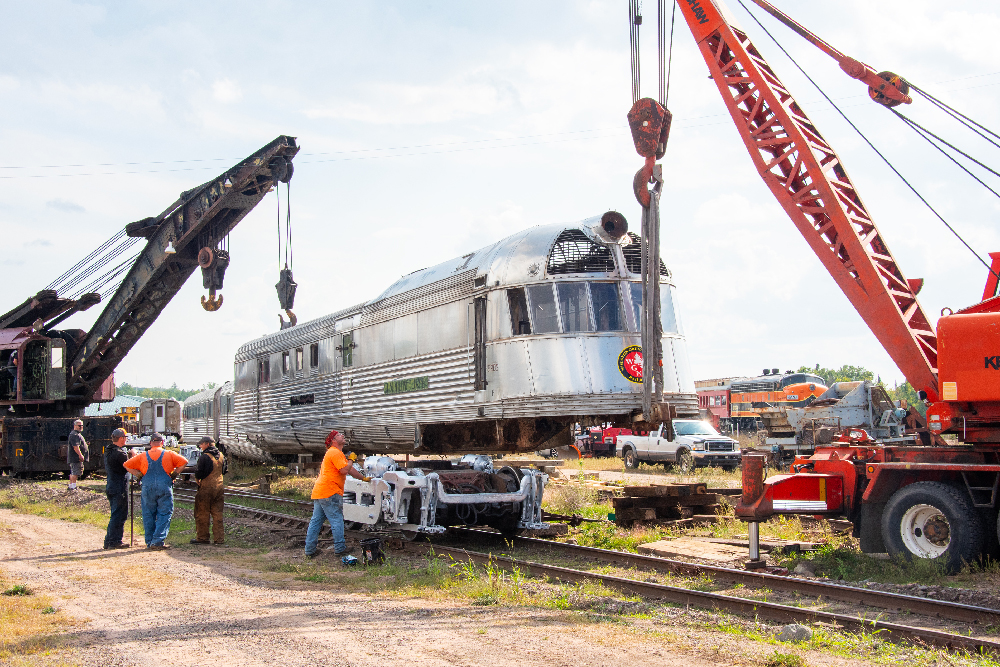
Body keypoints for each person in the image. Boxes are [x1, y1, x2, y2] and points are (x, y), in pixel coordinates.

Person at [304, 430, 369, 558]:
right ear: (333, 440)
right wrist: (351, 459)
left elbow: (350, 470)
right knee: (337, 519)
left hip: (321, 491)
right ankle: (340, 548)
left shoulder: (335, 453)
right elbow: (345, 470)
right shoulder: (334, 452)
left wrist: (363, 478)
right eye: (339, 435)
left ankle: (309, 550)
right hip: (330, 491)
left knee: (316, 522)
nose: (342, 436)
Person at [123, 432, 189, 550]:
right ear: (162, 443)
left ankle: (149, 542)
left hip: (147, 487)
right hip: (164, 486)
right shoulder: (169, 453)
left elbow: (127, 464)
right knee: (164, 513)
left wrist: (138, 474)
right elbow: (184, 462)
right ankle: (157, 541)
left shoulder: (143, 455)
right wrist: (174, 474)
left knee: (148, 514)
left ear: (150, 443)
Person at [190, 436, 225, 545]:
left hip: (206, 488)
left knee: (202, 513)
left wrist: (197, 478)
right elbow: (224, 470)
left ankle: (202, 538)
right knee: (218, 514)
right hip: (219, 487)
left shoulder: (205, 456)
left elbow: (199, 472)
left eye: (201, 444)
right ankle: (219, 539)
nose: (200, 446)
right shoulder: (222, 456)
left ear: (207, 444)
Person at [103, 428, 131, 550]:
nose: (126, 439)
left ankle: (109, 540)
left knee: (115, 513)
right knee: (119, 515)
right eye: (125, 437)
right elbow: (129, 466)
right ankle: (115, 541)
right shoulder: (120, 454)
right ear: (121, 438)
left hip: (111, 485)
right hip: (119, 487)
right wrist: (133, 456)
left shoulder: (109, 450)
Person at [67, 419, 89, 491]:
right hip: (75, 457)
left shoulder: (76, 434)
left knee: (74, 471)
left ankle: (71, 486)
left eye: (82, 425)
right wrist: (80, 455)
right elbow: (75, 446)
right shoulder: (74, 434)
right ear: (75, 426)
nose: (81, 427)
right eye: (79, 426)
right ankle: (73, 486)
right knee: (75, 472)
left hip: (75, 457)